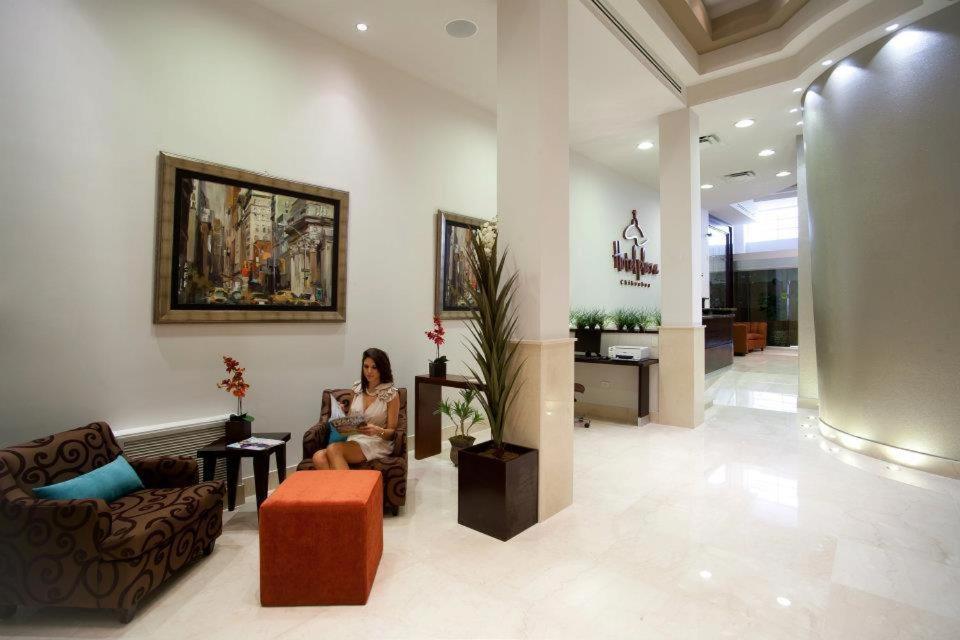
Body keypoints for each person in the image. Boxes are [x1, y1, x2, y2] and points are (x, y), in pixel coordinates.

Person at [311, 348, 399, 470]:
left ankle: (348, 488)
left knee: (333, 449)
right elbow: (351, 420)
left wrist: (378, 430)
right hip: (355, 438)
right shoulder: (357, 389)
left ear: (382, 368)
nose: (369, 371)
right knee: (318, 457)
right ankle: (342, 488)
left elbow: (392, 433)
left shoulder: (391, 394)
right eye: (366, 366)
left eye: (374, 367)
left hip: (377, 441)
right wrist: (342, 413)